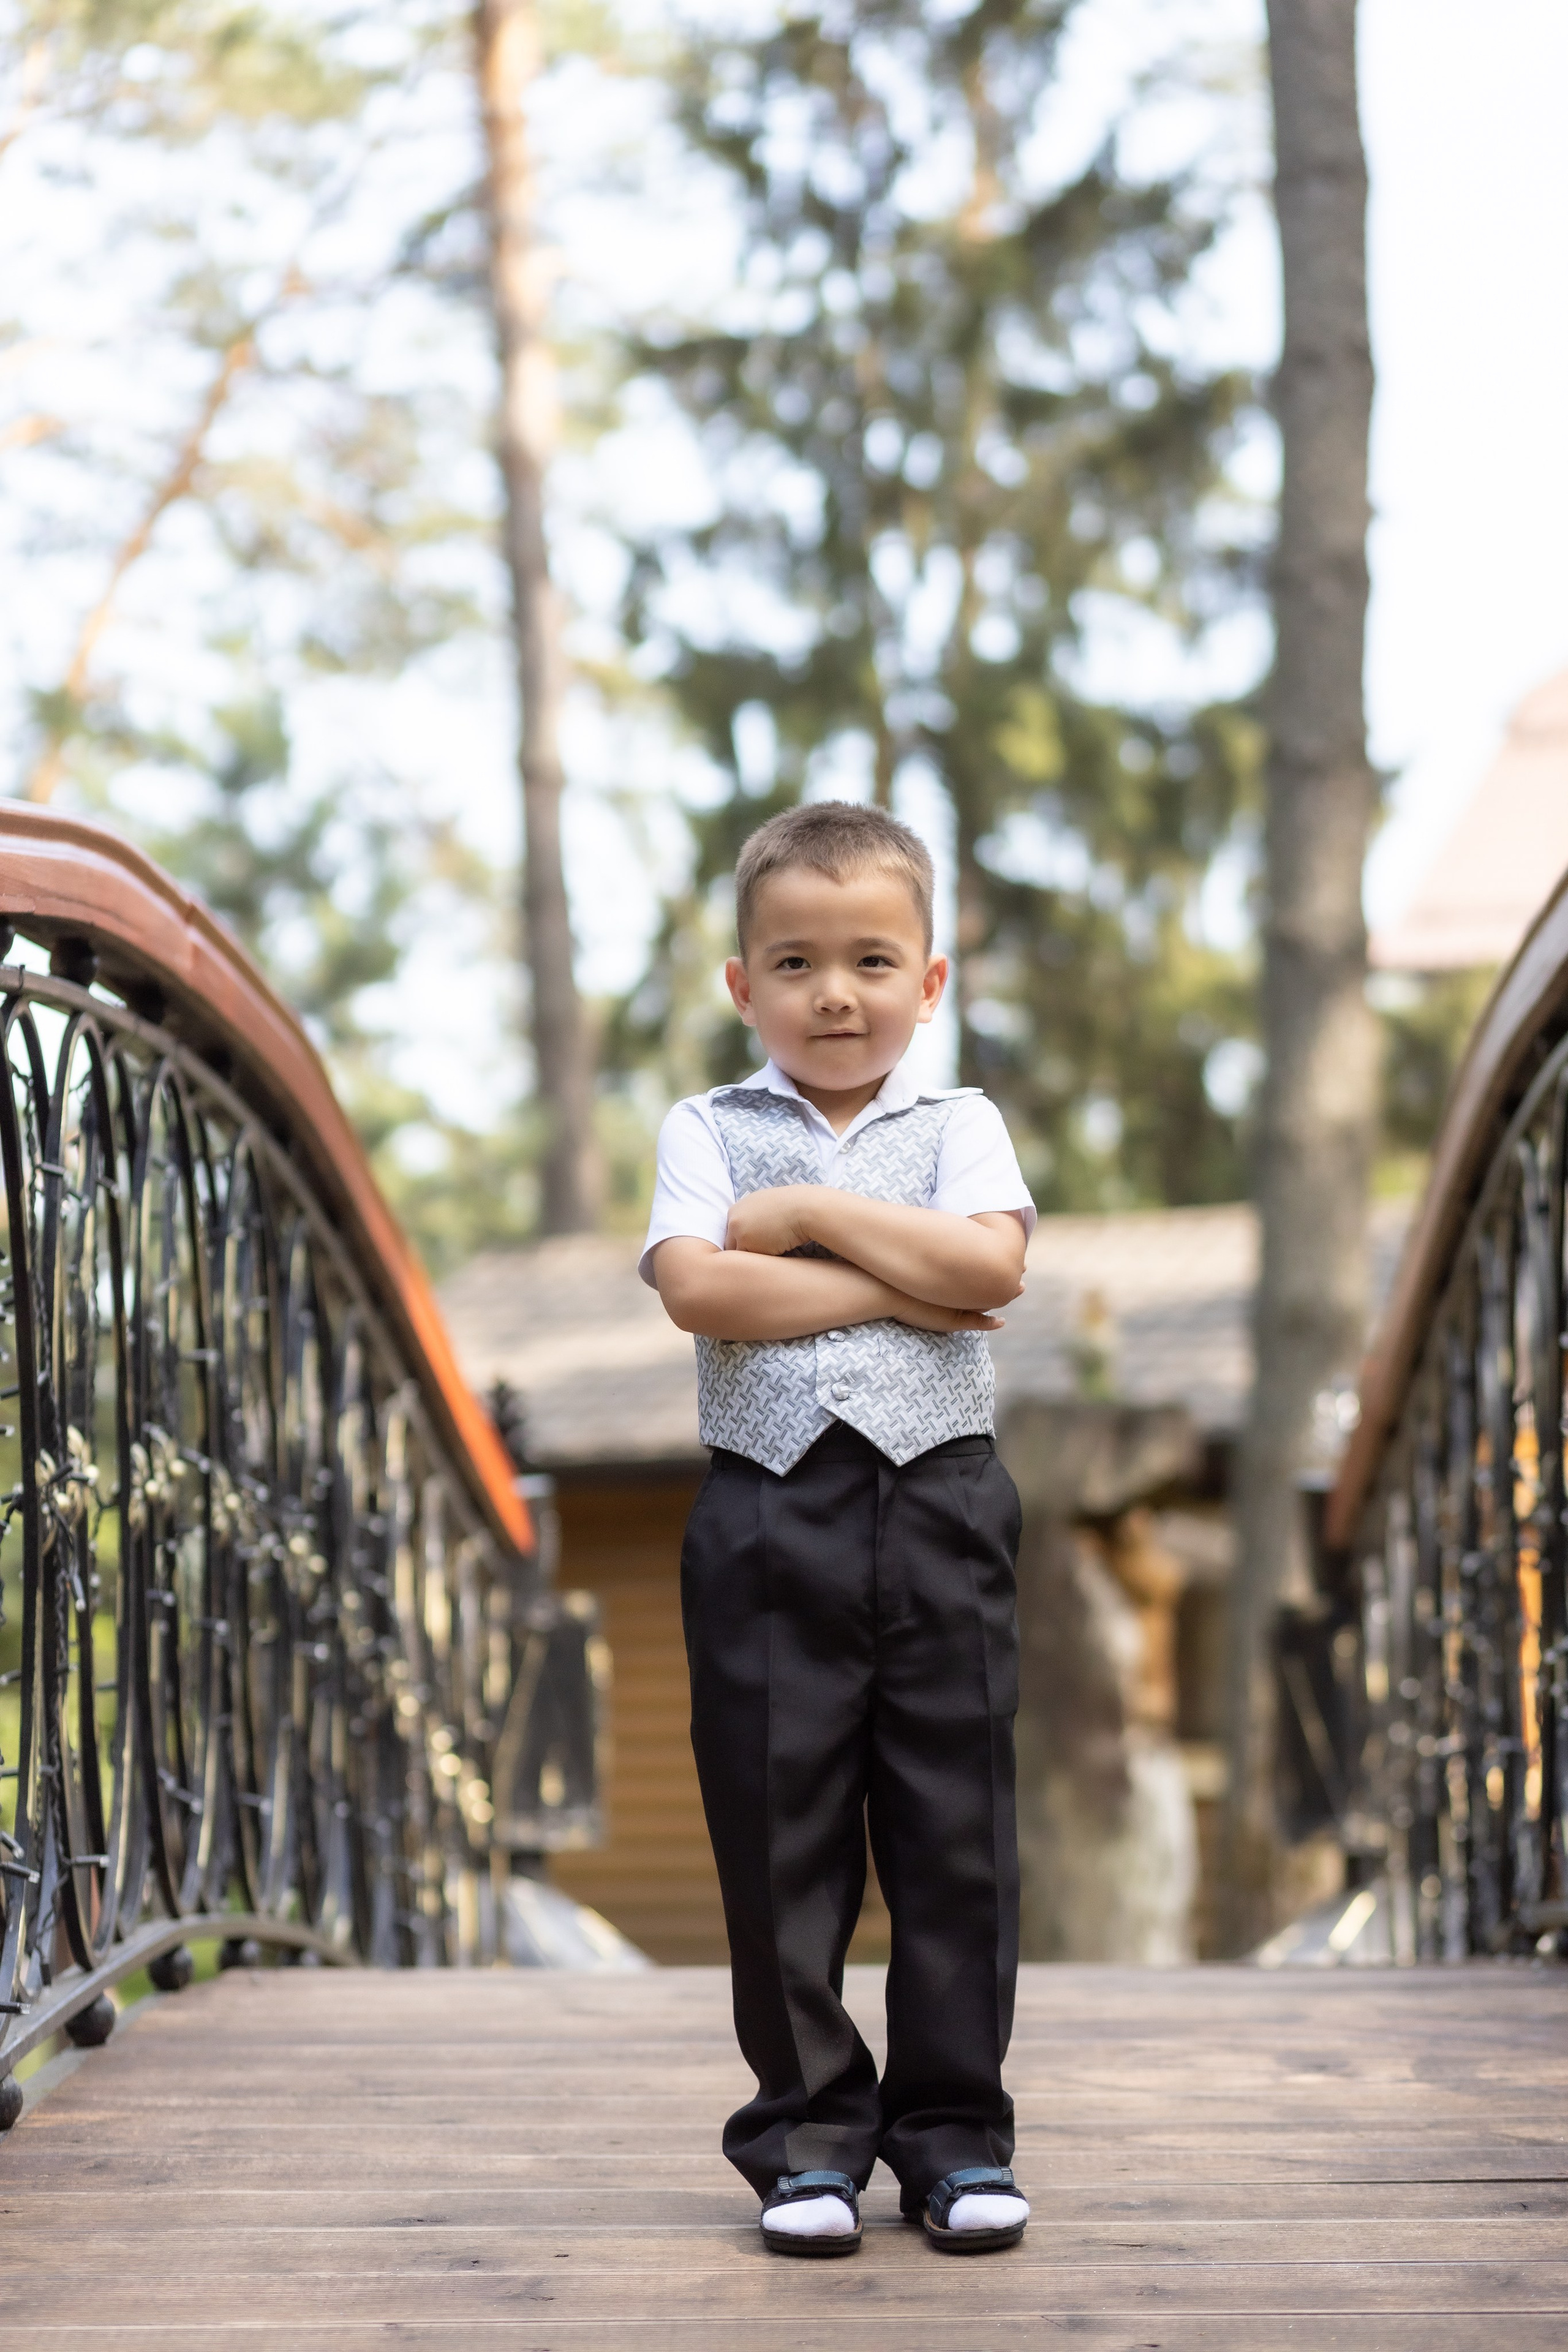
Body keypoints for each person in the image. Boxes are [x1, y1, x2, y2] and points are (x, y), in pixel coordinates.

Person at [641, 801, 1034, 2260]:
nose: (835, 993)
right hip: (763, 1511)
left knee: (955, 1833)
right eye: (794, 962)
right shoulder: (703, 1127)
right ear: (743, 985)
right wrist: (910, 1290)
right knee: (777, 1824)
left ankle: (952, 2140)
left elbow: (988, 1261)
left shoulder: (960, 1125)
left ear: (929, 982)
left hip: (942, 1505)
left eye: (873, 960)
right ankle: (806, 2142)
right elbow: (704, 1294)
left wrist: (802, 1210)